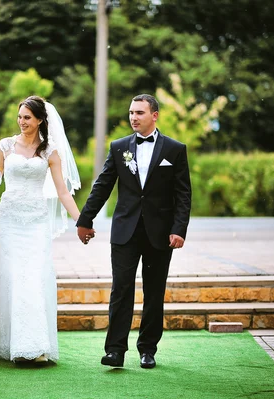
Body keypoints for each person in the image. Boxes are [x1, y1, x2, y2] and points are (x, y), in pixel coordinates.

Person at [76, 94, 191, 369]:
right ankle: (115, 350)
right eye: (131, 112)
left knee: (154, 292)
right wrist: (85, 220)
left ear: (155, 115)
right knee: (121, 290)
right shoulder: (118, 147)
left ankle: (148, 349)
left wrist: (178, 229)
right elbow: (102, 185)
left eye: (139, 112)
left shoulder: (175, 149)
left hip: (160, 234)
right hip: (125, 232)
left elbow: (183, 194)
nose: (133, 117)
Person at [0, 95, 81, 364]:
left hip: (36, 222)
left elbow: (62, 192)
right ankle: (12, 343)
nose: (22, 122)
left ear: (40, 119)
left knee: (34, 276)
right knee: (13, 277)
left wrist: (81, 220)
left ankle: (36, 346)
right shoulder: (5, 146)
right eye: (20, 117)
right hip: (10, 221)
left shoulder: (50, 151)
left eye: (27, 117)